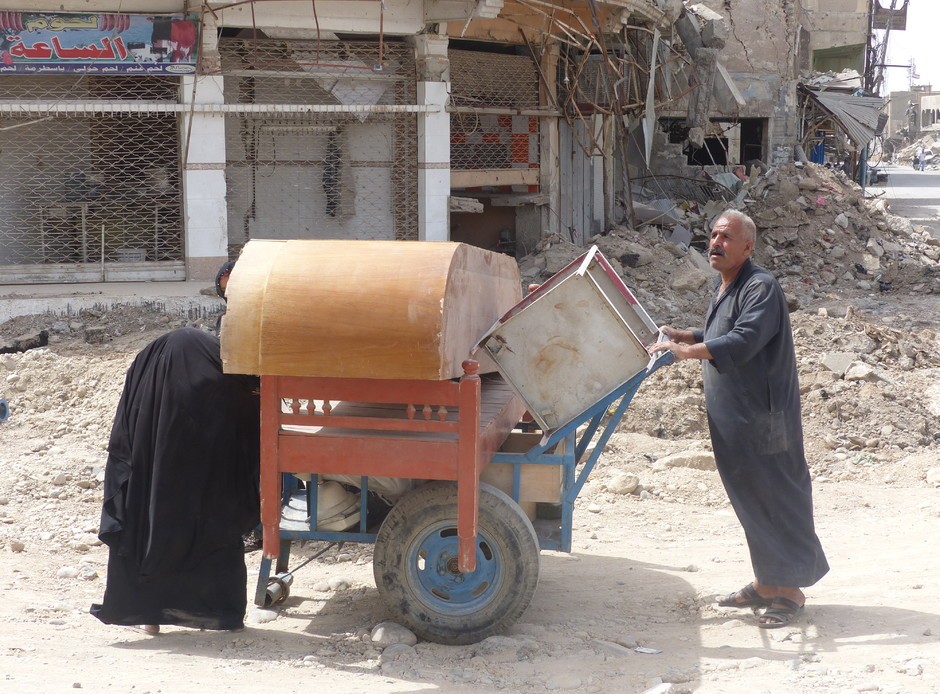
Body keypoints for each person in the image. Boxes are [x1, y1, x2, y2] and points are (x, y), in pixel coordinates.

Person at [649, 209, 828, 629]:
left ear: (748, 246)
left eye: (726, 237)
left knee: (777, 498)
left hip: (765, 418)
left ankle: (791, 591)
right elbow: (721, 330)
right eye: (712, 234)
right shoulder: (728, 284)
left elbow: (744, 340)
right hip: (738, 419)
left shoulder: (761, 286)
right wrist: (686, 334)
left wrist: (687, 353)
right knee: (751, 499)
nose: (715, 242)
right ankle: (768, 583)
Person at [90, 328, 261, 635]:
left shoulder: (151, 362)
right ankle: (217, 615)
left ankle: (149, 618)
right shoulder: (218, 371)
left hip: (150, 467)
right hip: (201, 474)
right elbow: (246, 412)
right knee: (208, 529)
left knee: (148, 529)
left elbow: (126, 426)